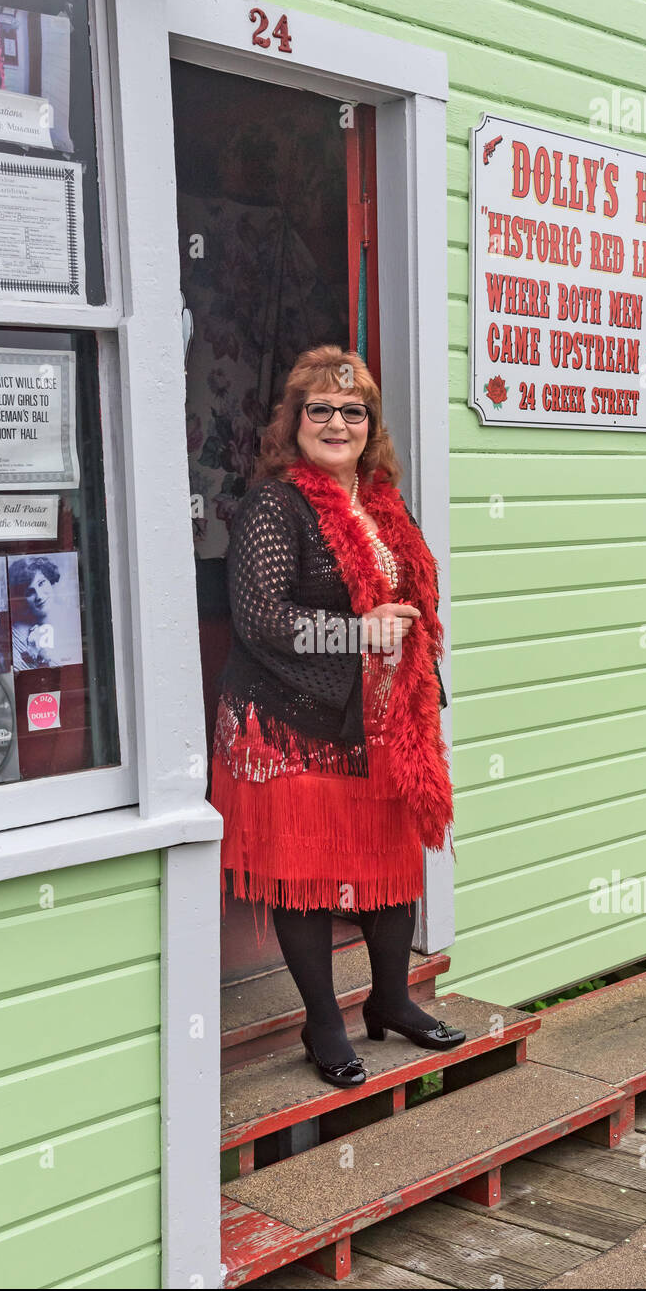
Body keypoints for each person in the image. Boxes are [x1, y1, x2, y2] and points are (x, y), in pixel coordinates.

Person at [210, 345, 464, 1088]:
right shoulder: (273, 505)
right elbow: (258, 618)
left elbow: (412, 600)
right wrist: (357, 634)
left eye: (352, 410)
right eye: (318, 409)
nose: (336, 422)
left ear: (370, 424)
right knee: (309, 873)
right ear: (294, 423)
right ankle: (323, 1024)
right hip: (290, 721)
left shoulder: (385, 502)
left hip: (385, 717)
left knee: (392, 857)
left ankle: (391, 1001)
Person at [9, 556, 64, 670]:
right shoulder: (16, 636)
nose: (39, 596)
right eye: (29, 592)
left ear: (50, 579)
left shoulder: (72, 616)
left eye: (41, 583)